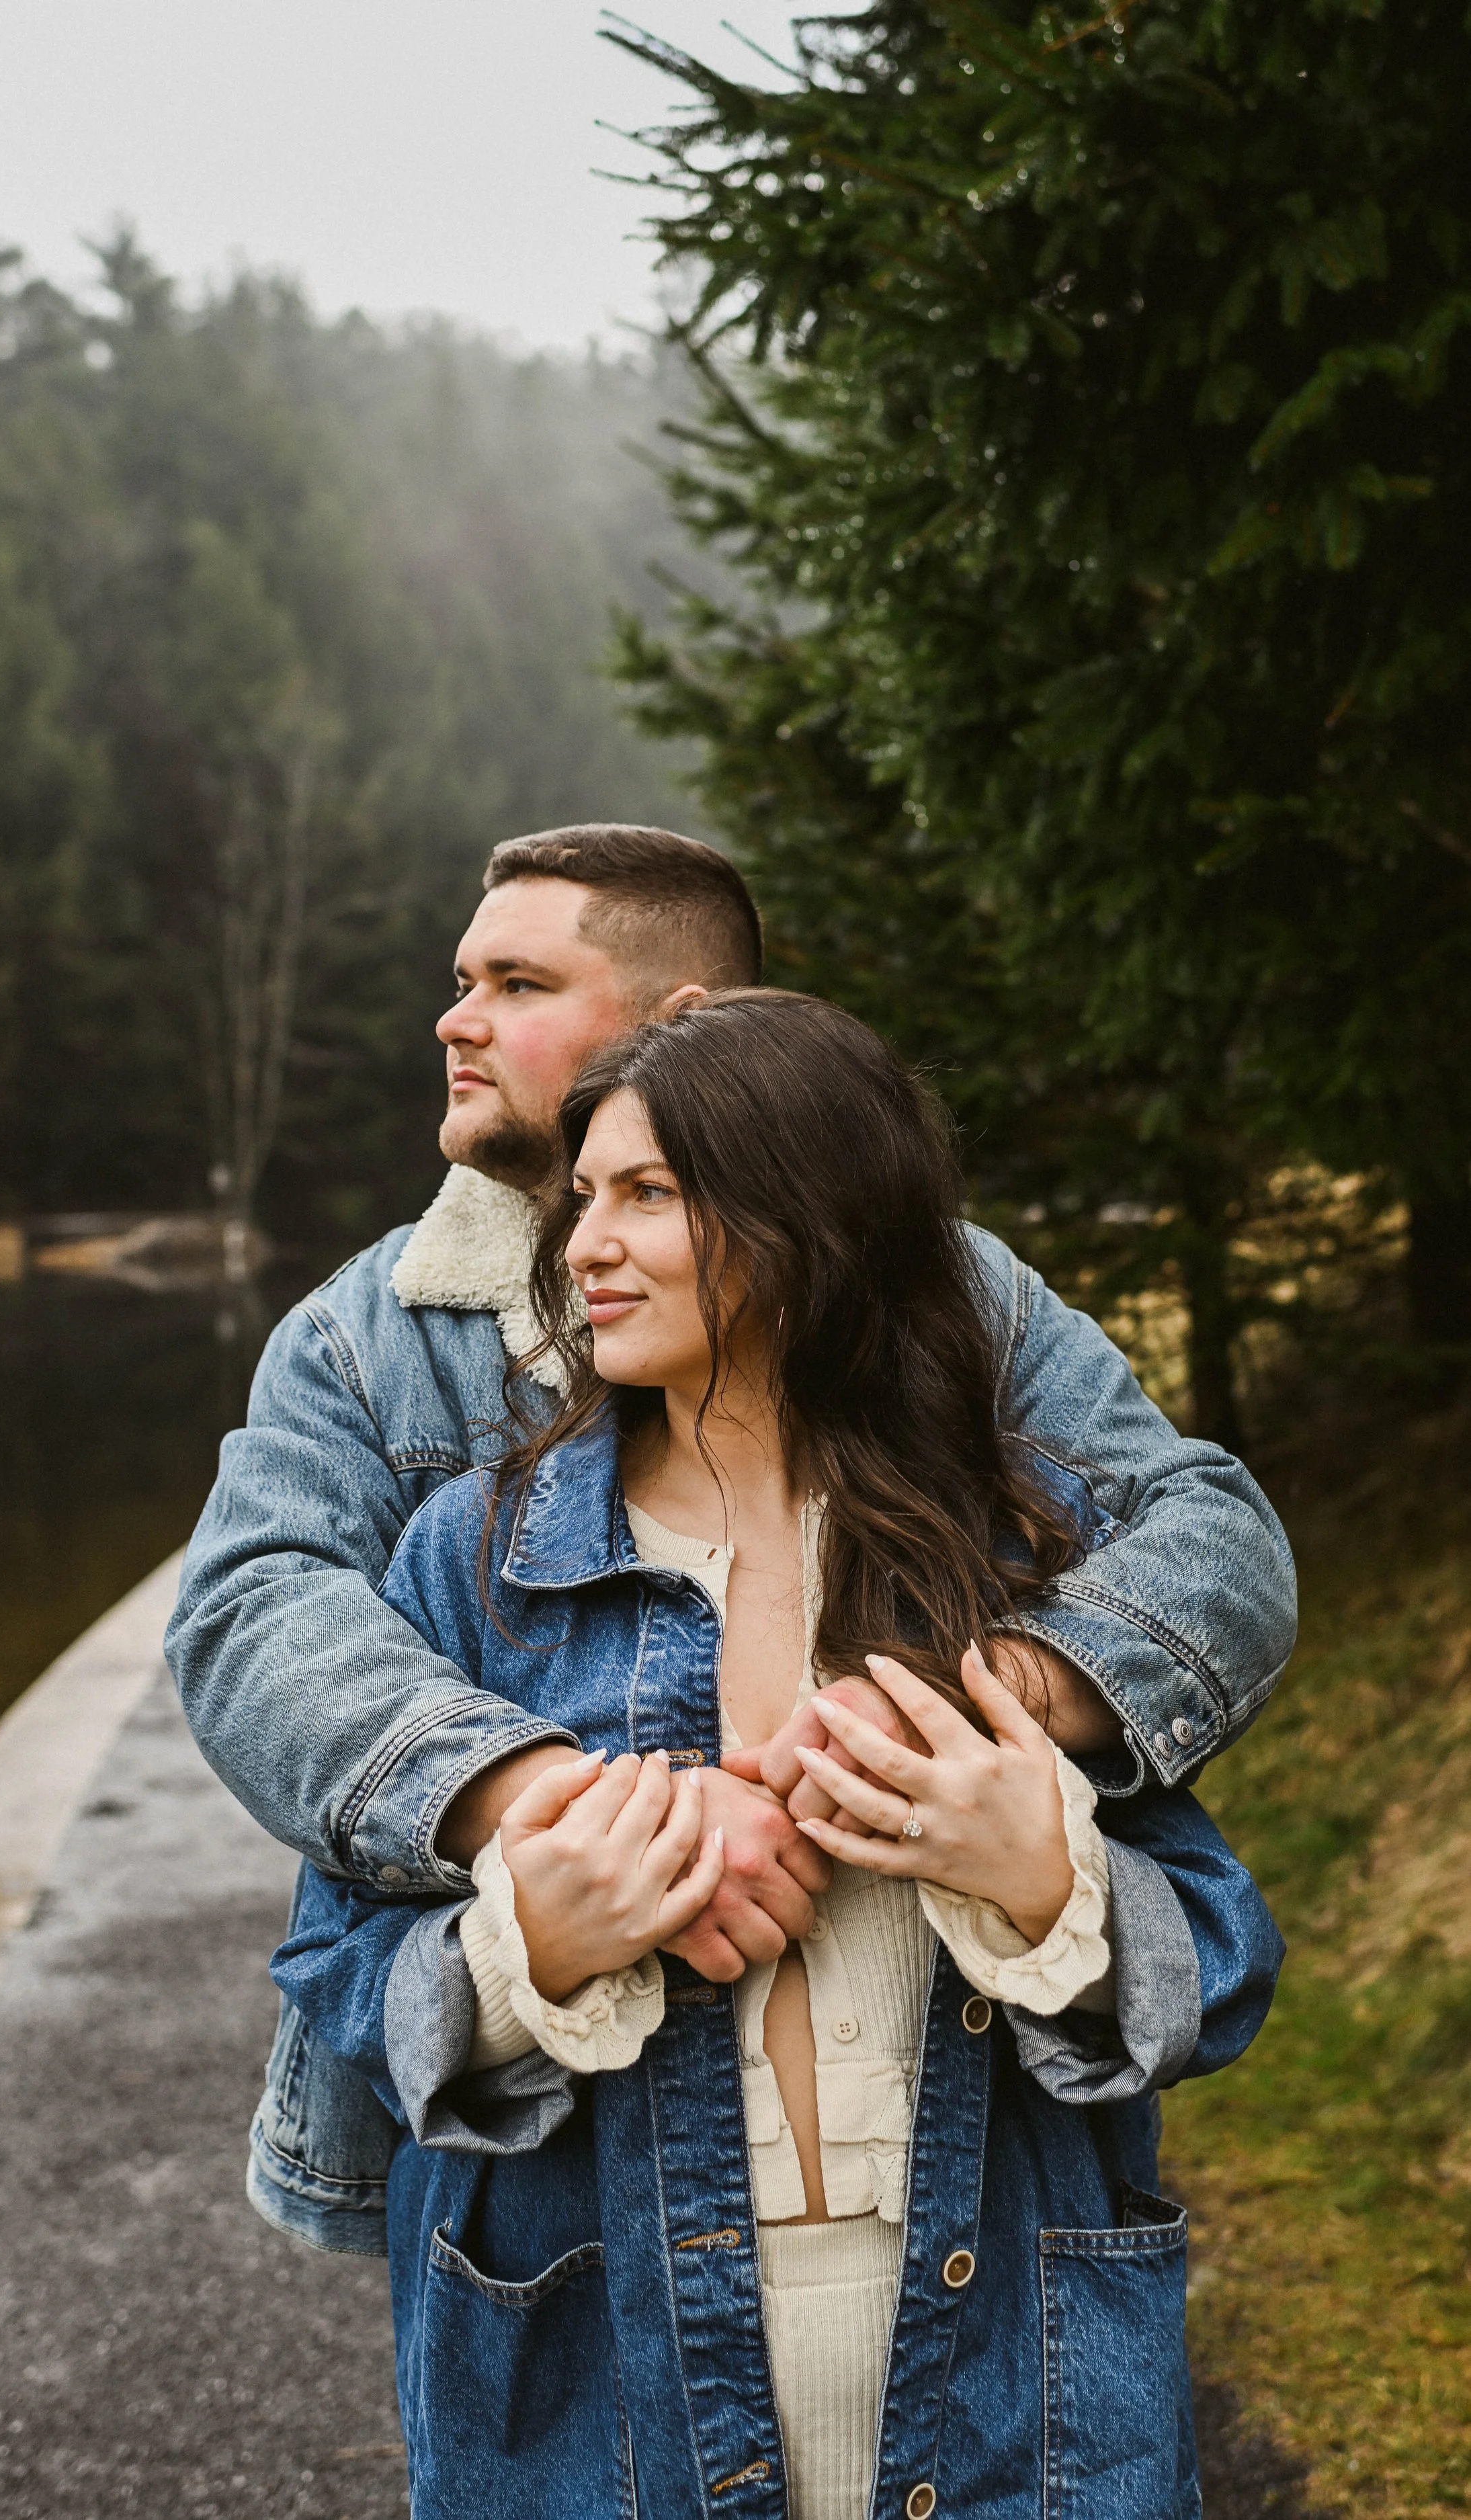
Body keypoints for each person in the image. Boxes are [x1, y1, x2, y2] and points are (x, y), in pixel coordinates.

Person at [165, 823, 1296, 2255]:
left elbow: (1206, 1535)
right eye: (461, 978)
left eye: (517, 982)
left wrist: (964, 1714)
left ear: (683, 1025)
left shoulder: (941, 1286)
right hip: (510, 2124)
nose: (454, 1019)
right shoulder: (361, 1335)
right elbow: (250, 1615)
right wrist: (569, 1810)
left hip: (934, 2151)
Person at [271, 991, 1284, 2520]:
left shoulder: (1007, 1560)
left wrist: (1041, 1879)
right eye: (580, 1200)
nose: (580, 1247)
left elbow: (1221, 1969)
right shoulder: (467, 1565)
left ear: (806, 1218)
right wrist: (526, 1947)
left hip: (1013, 2391)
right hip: (600, 2414)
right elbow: (336, 1977)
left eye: (645, 1196)